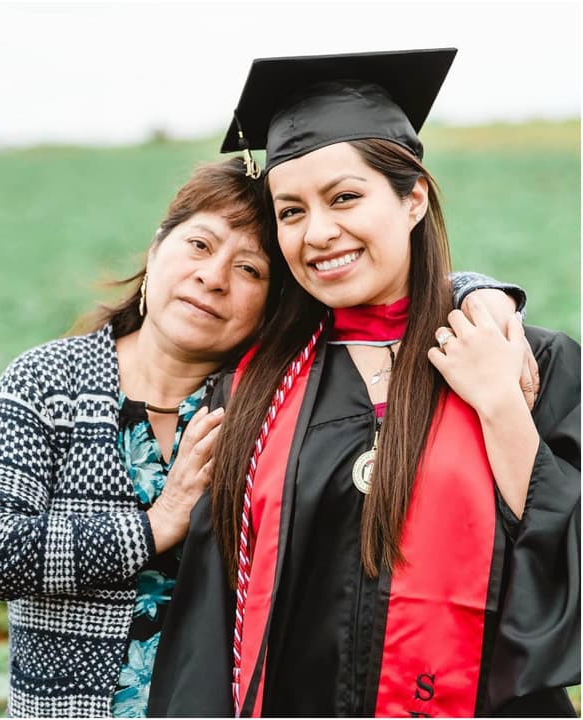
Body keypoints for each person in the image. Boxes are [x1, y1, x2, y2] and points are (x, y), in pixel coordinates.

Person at [0, 154, 530, 716]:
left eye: (250, 269)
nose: (212, 278)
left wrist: (476, 291)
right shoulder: (49, 380)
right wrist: (155, 526)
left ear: (275, 303)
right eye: (199, 246)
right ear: (157, 249)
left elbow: (384, 289)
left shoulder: (275, 403)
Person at [147, 48, 579, 717]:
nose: (319, 232)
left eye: (345, 197)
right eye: (291, 212)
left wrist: (500, 406)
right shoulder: (256, 391)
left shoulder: (531, 362)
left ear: (413, 198)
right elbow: (212, 626)